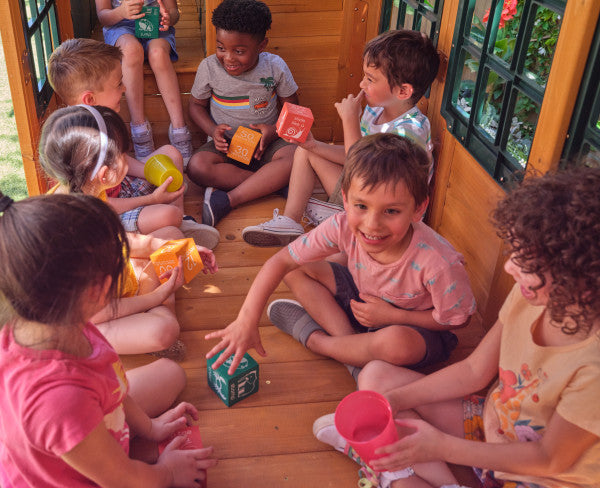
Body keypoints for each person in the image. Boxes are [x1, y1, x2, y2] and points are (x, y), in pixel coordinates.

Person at [316, 167, 600, 488]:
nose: (510, 267)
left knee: (404, 481)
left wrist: (442, 446)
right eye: (515, 253)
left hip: (539, 476)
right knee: (376, 379)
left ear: (582, 281)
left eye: (528, 263)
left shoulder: (593, 365)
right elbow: (473, 371)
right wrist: (395, 401)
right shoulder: (529, 299)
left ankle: (395, 470)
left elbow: (550, 459)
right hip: (490, 430)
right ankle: (441, 480)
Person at [205, 134, 475, 379]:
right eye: (361, 206)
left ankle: (319, 342)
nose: (372, 225)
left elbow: (458, 321)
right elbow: (281, 261)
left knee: (396, 344)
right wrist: (246, 321)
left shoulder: (439, 263)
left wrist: (393, 317)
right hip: (364, 303)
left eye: (391, 211)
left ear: (418, 209)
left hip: (413, 329)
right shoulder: (342, 224)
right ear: (345, 200)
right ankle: (353, 355)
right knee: (294, 269)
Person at [0, 191, 217, 487]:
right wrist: (167, 472)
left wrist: (150, 428)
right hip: (78, 475)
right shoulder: (59, 401)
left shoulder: (61, 320)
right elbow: (122, 479)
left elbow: (113, 383)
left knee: (171, 373)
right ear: (98, 290)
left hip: (86, 430)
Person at [38, 105, 218, 356]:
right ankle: (159, 314)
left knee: (173, 237)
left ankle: (157, 309)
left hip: (115, 283)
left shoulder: (83, 192)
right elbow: (97, 311)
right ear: (103, 174)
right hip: (83, 320)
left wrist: (180, 248)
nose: (128, 158)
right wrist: (156, 298)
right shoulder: (72, 233)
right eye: (123, 154)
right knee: (163, 330)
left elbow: (122, 242)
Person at [242, 29, 440, 247]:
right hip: (363, 189)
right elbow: (351, 157)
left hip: (382, 211)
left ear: (403, 91)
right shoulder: (376, 111)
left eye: (371, 79)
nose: (362, 85)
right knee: (305, 150)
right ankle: (292, 220)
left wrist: (349, 120)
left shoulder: (410, 131)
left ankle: (338, 219)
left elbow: (362, 164)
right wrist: (313, 145)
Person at [48, 38, 219, 249]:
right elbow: (104, 205)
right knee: (168, 216)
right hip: (110, 213)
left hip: (122, 187)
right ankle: (170, 227)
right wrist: (152, 200)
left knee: (171, 154)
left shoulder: (102, 119)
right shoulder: (80, 143)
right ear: (90, 99)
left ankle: (181, 222)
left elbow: (121, 158)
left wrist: (150, 171)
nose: (124, 88)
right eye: (118, 83)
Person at [87, 0, 193, 163]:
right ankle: (139, 130)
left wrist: (169, 19)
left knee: (158, 53)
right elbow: (103, 16)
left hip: (154, 24)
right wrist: (122, 12)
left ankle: (179, 130)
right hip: (120, 25)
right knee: (131, 50)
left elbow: (174, 12)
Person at [187, 0, 299, 227]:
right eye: (221, 47)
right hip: (227, 146)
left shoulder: (274, 66)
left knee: (295, 157)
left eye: (239, 51)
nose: (228, 58)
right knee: (196, 167)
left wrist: (274, 131)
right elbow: (195, 106)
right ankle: (270, 184)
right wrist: (213, 130)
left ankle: (228, 200)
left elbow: (294, 109)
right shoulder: (209, 67)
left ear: (261, 46)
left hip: (269, 144)